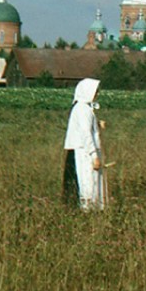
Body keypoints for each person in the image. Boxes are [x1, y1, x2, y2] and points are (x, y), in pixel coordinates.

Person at [63, 78, 105, 210]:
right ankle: (88, 210)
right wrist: (94, 156)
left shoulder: (84, 108)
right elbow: (85, 134)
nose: (96, 94)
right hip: (83, 153)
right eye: (95, 91)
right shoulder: (82, 109)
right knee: (86, 183)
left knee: (87, 184)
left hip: (83, 150)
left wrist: (97, 125)